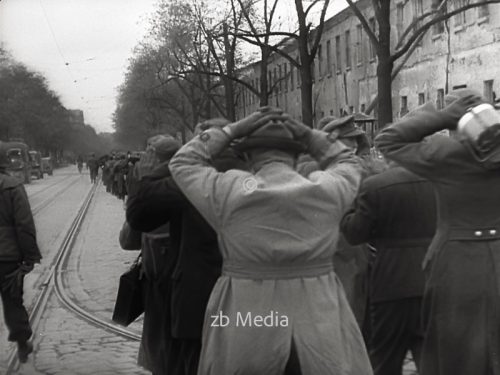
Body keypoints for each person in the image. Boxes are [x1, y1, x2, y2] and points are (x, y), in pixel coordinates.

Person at [169, 108, 372, 374]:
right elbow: (350, 160)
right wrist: (310, 135)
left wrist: (231, 130)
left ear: (249, 156)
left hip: (247, 318)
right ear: (297, 155)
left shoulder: (228, 191)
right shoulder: (327, 189)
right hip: (319, 318)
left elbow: (183, 162)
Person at [375, 90, 500, 375]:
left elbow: (387, 140)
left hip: (455, 265)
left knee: (454, 348)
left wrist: (443, 116)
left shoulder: (447, 155)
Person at [127, 121, 245, 375]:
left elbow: (137, 218)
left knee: (194, 363)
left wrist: (150, 175)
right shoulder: (252, 171)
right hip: (250, 299)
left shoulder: (187, 179)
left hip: (195, 300)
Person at [340, 158, 437, 375]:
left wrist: (347, 209)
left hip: (391, 281)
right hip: (431, 277)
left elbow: (355, 234)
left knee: (386, 356)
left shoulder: (375, 185)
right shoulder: (439, 183)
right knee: (430, 355)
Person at [120, 135, 181, 374]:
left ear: (153, 159)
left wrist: (141, 185)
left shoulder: (151, 192)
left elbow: (128, 240)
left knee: (162, 351)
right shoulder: (194, 180)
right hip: (194, 281)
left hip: (159, 282)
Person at [0, 145, 42, 363]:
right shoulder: (12, 186)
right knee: (12, 300)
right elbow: (24, 224)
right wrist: (31, 256)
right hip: (7, 257)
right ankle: (21, 341)